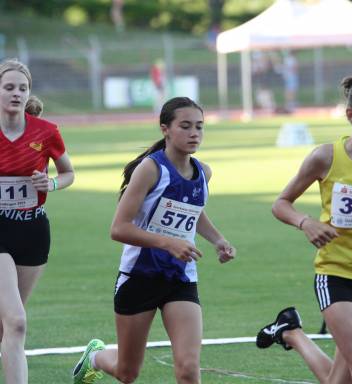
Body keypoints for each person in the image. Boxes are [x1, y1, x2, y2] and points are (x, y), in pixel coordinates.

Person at [72, 96, 236, 384]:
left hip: (180, 278)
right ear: (165, 129)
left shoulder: (203, 172)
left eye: (199, 126)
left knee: (188, 369)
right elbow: (119, 228)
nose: (194, 133)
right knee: (127, 372)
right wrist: (168, 243)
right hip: (139, 276)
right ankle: (95, 357)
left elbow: (193, 211)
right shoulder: (150, 169)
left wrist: (218, 239)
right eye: (185, 126)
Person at [256, 76, 352, 384]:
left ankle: (292, 333)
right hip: (337, 275)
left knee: (341, 381)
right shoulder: (326, 157)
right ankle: (292, 333)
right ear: (351, 115)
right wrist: (306, 222)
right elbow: (281, 203)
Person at [0, 58, 74, 383]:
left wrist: (52, 183)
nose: (16, 93)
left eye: (22, 88)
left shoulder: (46, 132)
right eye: (9, 87)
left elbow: (68, 172)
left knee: (5, 326)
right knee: (16, 321)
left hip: (33, 229)